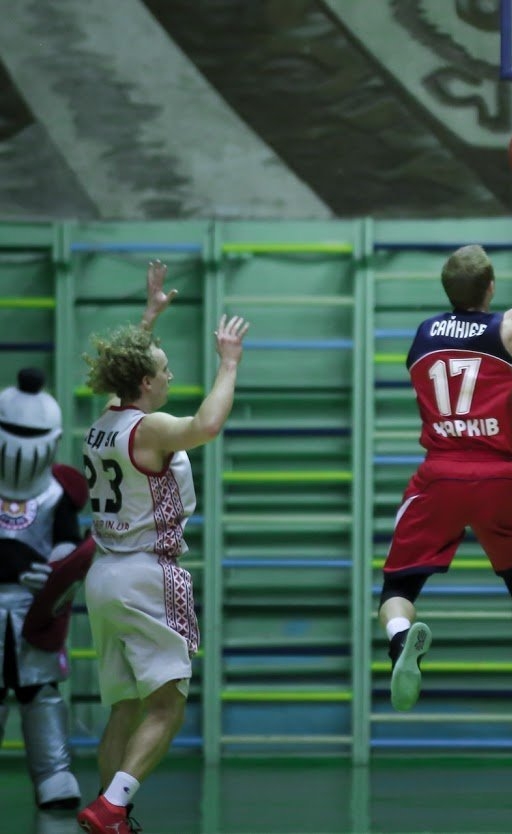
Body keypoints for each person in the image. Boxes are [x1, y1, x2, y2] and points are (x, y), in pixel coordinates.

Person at [380, 178, 512, 744]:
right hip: (495, 478)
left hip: (439, 474)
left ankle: (401, 644)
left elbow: (455, 381)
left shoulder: (422, 336)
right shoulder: (506, 328)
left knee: (399, 584)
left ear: (448, 289)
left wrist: (507, 385)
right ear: (490, 289)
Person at [76, 262, 249, 834]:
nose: (170, 375)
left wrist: (149, 318)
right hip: (146, 574)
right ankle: (111, 808)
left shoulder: (102, 422)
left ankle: (111, 812)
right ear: (146, 383)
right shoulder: (148, 430)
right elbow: (207, 424)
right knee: (168, 705)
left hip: (103, 575)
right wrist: (228, 364)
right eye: (164, 369)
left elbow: (126, 369)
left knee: (125, 707)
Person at [0, 368, 92, 811]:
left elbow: (67, 539)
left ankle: (54, 773)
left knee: (41, 692)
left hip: (37, 609)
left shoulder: (59, 493)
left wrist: (59, 566)